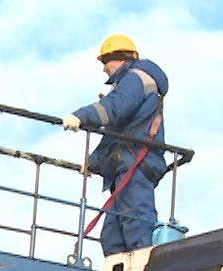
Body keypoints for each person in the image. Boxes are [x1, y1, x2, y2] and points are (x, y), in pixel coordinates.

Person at [61, 34, 170, 255]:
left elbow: (113, 108)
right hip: (124, 168)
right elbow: (115, 135)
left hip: (136, 166)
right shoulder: (131, 81)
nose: (103, 69)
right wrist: (94, 161)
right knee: (112, 237)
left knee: (136, 226)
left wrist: (81, 116)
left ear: (119, 58)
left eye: (104, 62)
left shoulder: (135, 79)